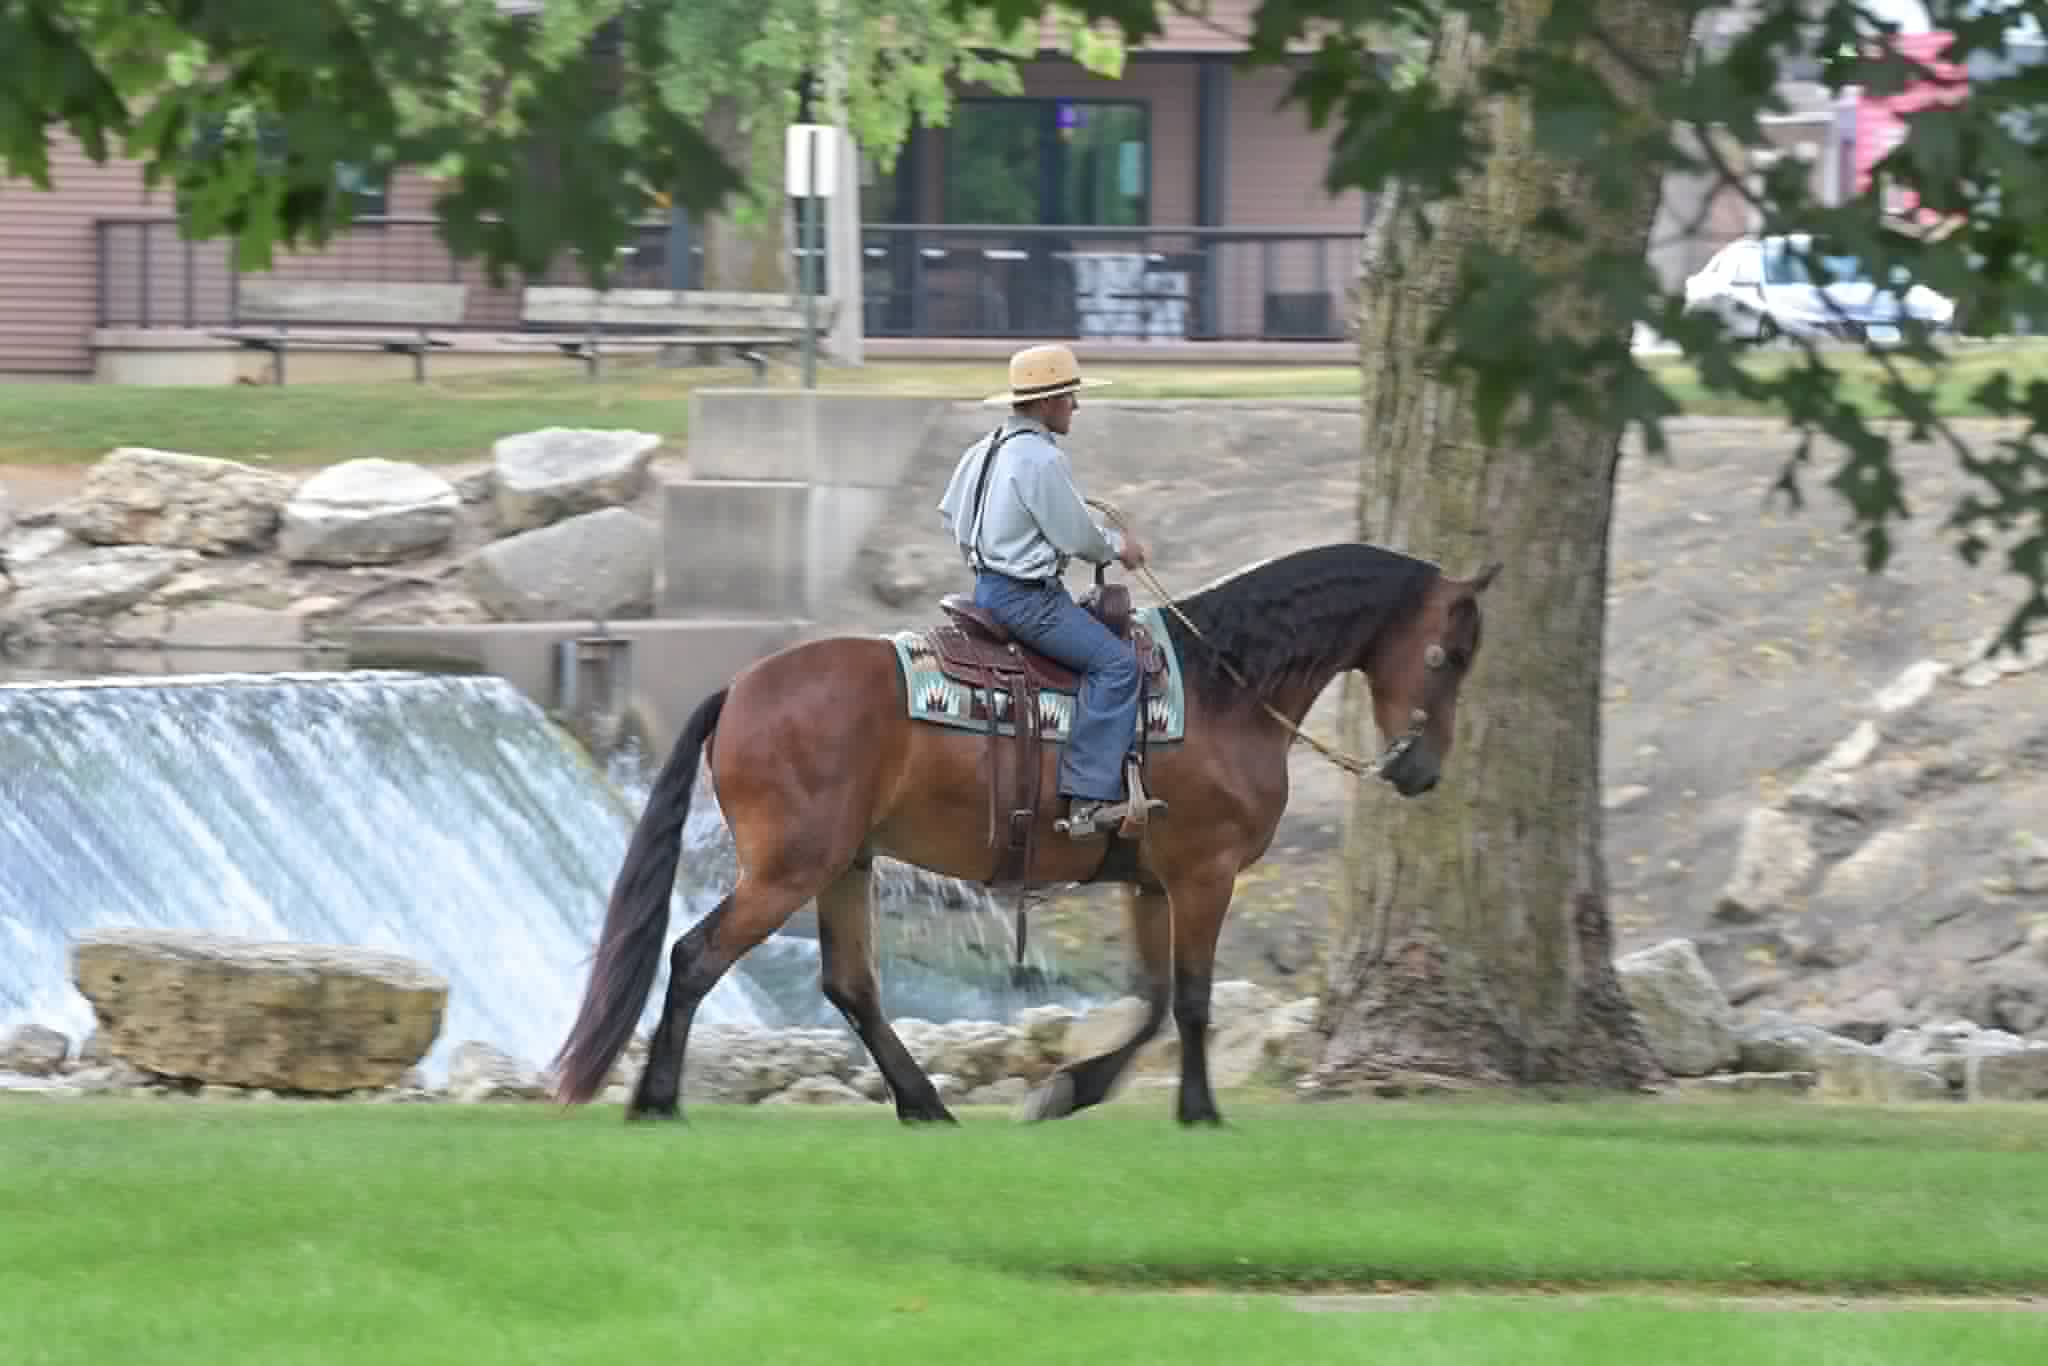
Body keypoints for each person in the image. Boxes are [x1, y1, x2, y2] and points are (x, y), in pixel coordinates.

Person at [936, 343, 1150, 840]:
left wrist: (1000, 545)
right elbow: (1076, 536)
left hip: (986, 589)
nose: (1076, 406)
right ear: (1049, 401)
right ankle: (1089, 799)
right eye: (1070, 397)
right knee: (1117, 664)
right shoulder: (1042, 459)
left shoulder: (984, 449)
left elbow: (953, 517)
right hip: (1027, 601)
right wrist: (1120, 548)